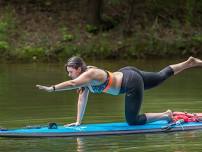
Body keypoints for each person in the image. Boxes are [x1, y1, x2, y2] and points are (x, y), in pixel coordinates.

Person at [36, 56, 202, 127]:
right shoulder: (85, 80)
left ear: (78, 69)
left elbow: (72, 83)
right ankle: (189, 62)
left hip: (130, 82)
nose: (69, 74)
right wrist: (78, 122)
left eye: (70, 71)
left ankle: (166, 115)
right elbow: (81, 99)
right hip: (128, 74)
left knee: (133, 121)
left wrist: (53, 89)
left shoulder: (91, 73)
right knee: (160, 76)